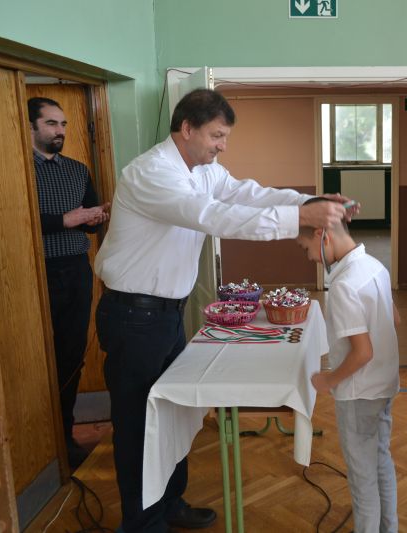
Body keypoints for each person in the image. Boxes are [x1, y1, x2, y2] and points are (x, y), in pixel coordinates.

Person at [94, 88, 349, 533]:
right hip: (134, 317)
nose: (222, 146)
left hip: (164, 314)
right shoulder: (151, 173)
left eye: (225, 136)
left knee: (171, 414)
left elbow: (246, 194)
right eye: (216, 135)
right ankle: (141, 524)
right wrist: (300, 220)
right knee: (139, 424)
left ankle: (169, 504)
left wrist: (307, 203)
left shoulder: (204, 170)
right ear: (186, 128)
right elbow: (214, 216)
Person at [296, 197, 401, 533]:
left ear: (321, 234)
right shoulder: (375, 266)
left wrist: (329, 380)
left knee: (362, 479)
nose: (311, 257)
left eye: (306, 249)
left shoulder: (343, 286)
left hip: (358, 394)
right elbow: (395, 319)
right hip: (384, 386)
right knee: (380, 461)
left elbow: (362, 352)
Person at [28, 97, 111, 469]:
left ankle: (65, 436)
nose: (60, 130)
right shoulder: (17, 170)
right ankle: (38, 444)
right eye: (51, 124)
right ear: (30, 127)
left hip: (76, 270)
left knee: (71, 354)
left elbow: (88, 222)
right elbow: (14, 219)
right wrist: (65, 220)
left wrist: (94, 217)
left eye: (63, 124)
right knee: (35, 357)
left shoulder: (78, 170)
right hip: (33, 273)